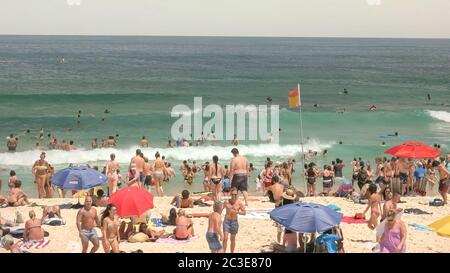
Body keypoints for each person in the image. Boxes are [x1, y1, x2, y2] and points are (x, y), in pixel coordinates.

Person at [223, 188, 246, 253]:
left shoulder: (239, 202)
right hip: (226, 221)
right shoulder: (226, 202)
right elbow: (220, 210)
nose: (234, 196)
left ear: (237, 195)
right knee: (225, 238)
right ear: (230, 194)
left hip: (234, 222)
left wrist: (237, 212)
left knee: (232, 239)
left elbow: (244, 213)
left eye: (235, 194)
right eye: (233, 194)